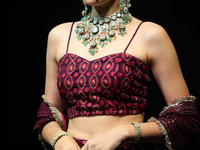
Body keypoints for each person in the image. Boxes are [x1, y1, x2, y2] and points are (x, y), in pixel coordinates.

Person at [33, 0, 200, 150]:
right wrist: (60, 140)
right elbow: (48, 113)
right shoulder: (59, 36)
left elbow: (184, 117)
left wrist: (124, 132)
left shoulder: (150, 34)